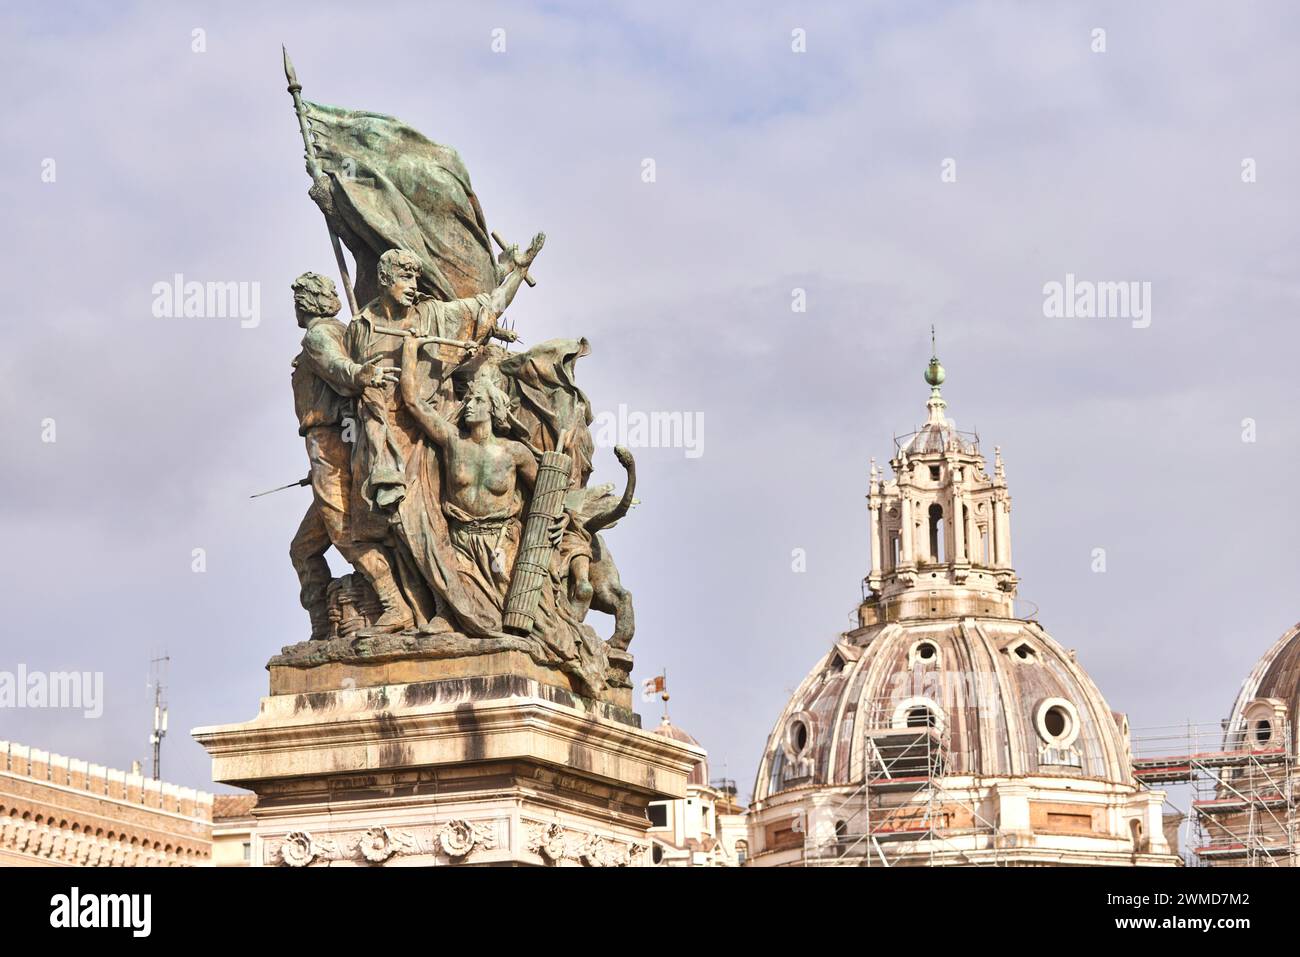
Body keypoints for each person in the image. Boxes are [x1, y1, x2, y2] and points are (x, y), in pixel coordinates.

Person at [286, 271, 413, 638]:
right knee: (303, 548)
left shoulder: (319, 334)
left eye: (299, 300)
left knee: (346, 532)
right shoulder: (343, 331)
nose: (296, 308)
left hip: (327, 442)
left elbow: (337, 369)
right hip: (332, 446)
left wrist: (360, 375)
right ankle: (322, 627)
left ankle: (394, 604)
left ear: (309, 303)